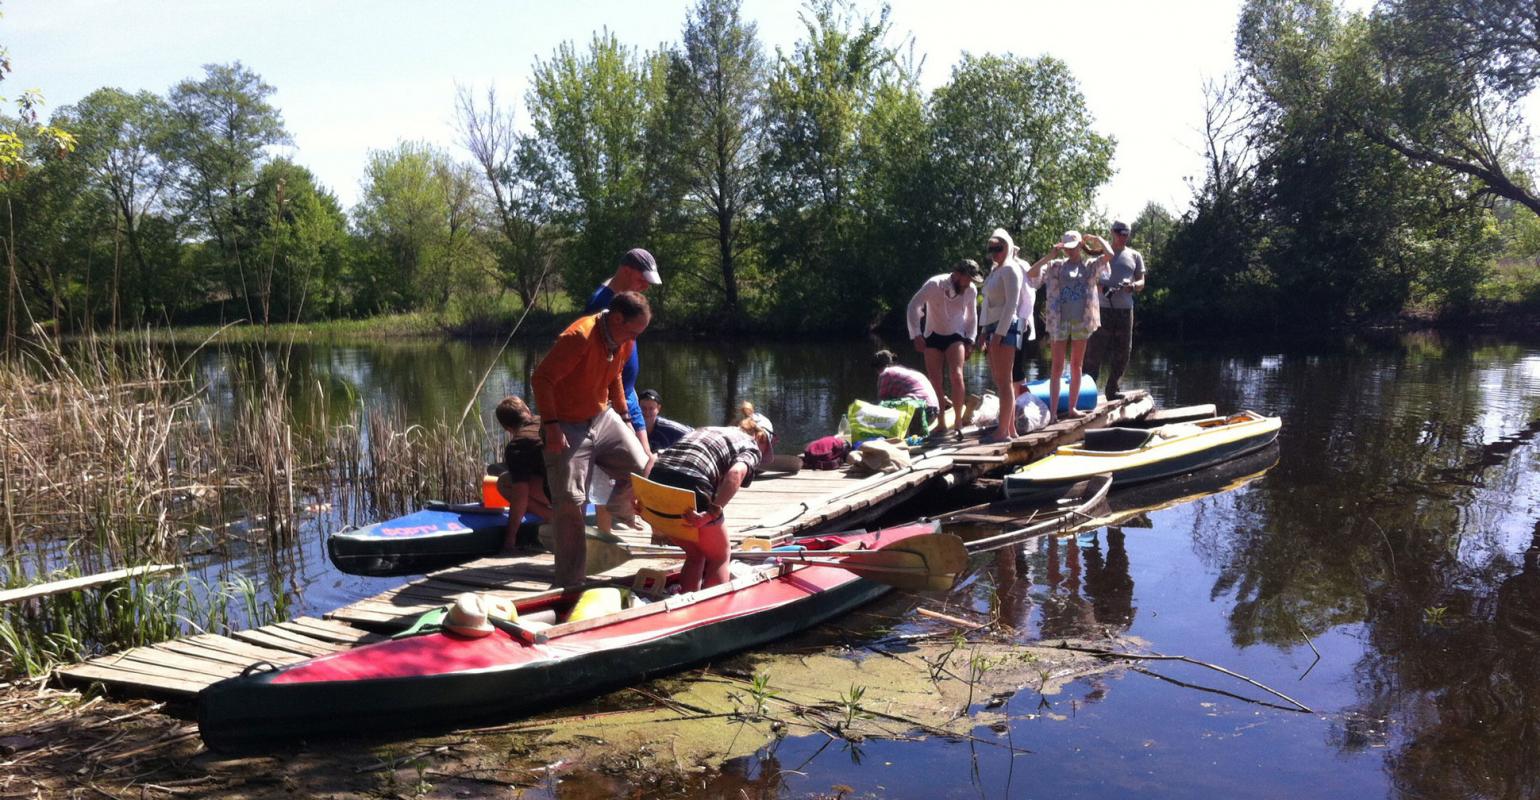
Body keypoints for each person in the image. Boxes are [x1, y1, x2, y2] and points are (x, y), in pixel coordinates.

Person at [532, 291, 653, 588]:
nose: (634, 338)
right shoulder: (579, 337)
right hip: (566, 424)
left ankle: (618, 506)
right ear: (616, 318)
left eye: (639, 332)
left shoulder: (624, 340)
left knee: (644, 465)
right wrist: (551, 424)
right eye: (633, 330)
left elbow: (614, 376)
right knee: (571, 503)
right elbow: (541, 379)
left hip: (602, 417)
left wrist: (624, 416)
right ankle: (570, 582)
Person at [641, 419, 771, 591]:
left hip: (655, 483)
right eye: (766, 447)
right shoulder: (751, 445)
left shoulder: (707, 429)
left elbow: (654, 458)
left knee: (696, 554)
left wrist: (640, 496)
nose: (763, 454)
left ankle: (688, 602)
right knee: (720, 555)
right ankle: (715, 610)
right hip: (691, 484)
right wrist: (712, 513)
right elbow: (736, 473)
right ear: (760, 437)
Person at [584, 248, 662, 455]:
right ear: (626, 271)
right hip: (612, 401)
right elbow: (596, 360)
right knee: (635, 463)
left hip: (628, 392)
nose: (645, 286)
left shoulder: (620, 293)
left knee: (645, 460)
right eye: (642, 279)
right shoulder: (603, 304)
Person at [1035, 230, 1114, 421]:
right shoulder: (1055, 266)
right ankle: (1053, 413)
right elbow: (1031, 273)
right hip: (1059, 320)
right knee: (1057, 366)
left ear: (1080, 245)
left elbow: (1110, 254)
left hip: (1082, 319)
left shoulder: (1089, 267)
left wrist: (1097, 240)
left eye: (1073, 247)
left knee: (1077, 365)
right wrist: (1050, 255)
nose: (1070, 251)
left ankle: (1072, 408)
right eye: (1066, 248)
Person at [977, 228, 1044, 444]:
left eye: (999, 248)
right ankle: (1011, 428)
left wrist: (999, 333)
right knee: (999, 379)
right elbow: (987, 304)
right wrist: (983, 331)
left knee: (1005, 380)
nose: (995, 252)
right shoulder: (995, 271)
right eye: (992, 248)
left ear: (1007, 246)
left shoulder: (1011, 270)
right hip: (992, 327)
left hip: (1006, 328)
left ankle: (1003, 432)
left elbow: (1012, 305)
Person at [904, 260, 980, 439]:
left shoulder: (971, 290)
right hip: (933, 334)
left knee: (956, 375)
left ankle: (959, 422)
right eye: (967, 279)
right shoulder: (935, 284)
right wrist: (916, 333)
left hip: (956, 335)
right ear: (958, 274)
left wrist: (970, 340)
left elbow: (971, 317)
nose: (969, 283)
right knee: (935, 380)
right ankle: (941, 421)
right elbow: (913, 306)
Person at [1083, 220, 1145, 398]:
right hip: (1101, 309)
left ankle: (1113, 390)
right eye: (1119, 233)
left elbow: (1142, 282)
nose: (1122, 237)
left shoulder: (1135, 255)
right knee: (1093, 352)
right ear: (1112, 232)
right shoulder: (1102, 254)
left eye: (1126, 233)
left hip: (1125, 310)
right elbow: (1087, 278)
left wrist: (1132, 286)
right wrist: (1099, 287)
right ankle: (1087, 392)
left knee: (1123, 351)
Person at [493, 396, 553, 552]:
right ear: (527, 410)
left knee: (505, 482)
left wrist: (510, 538)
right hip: (580, 486)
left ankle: (555, 518)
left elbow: (521, 494)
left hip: (557, 490)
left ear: (506, 427)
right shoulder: (547, 421)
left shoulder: (517, 444)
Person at [871, 349, 939, 433]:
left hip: (923, 414)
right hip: (933, 413)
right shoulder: (905, 371)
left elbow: (881, 403)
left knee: (878, 407)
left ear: (876, 367)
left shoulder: (885, 373)